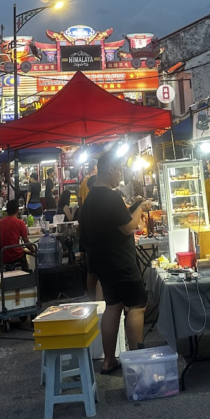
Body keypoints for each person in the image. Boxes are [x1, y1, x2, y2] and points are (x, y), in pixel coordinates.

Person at [81, 150, 150, 373]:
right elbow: (128, 227)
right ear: (110, 169)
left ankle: (109, 360)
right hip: (121, 261)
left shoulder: (91, 197)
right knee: (137, 305)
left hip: (103, 262)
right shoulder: (110, 196)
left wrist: (132, 209)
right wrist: (139, 208)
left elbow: (113, 220)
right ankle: (136, 360)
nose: (121, 173)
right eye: (119, 169)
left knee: (114, 306)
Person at [0, 199, 37, 271]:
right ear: (17, 210)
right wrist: (33, 250)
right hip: (15, 256)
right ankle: (26, 275)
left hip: (2, 256)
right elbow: (27, 242)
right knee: (27, 257)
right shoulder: (20, 223)